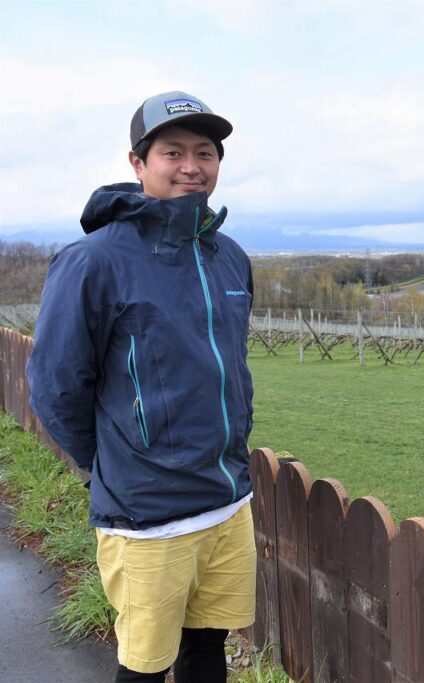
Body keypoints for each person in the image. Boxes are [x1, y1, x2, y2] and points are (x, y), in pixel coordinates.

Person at [27, 91, 256, 683]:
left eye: (204, 153)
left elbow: (227, 367)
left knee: (208, 650)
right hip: (148, 515)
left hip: (228, 502)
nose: (191, 166)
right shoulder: (93, 261)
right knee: (146, 665)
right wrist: (111, 465)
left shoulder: (228, 257)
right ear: (137, 162)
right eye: (172, 151)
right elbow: (56, 386)